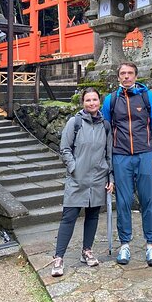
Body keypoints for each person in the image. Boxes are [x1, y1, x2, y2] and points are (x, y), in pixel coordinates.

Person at [102, 62, 152, 267]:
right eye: (123, 73)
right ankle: (125, 244)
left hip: (145, 154)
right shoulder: (110, 100)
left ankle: (151, 244)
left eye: (130, 73)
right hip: (121, 156)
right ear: (118, 77)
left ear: (136, 75)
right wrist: (106, 163)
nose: (126, 76)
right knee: (123, 201)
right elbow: (105, 130)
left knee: (148, 200)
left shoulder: (148, 97)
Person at [51, 87, 114, 277]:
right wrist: (73, 167)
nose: (92, 103)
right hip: (78, 178)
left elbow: (108, 154)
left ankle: (87, 250)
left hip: (98, 178)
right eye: (88, 100)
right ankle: (58, 257)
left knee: (93, 216)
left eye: (95, 100)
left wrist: (110, 177)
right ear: (83, 103)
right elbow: (64, 148)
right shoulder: (75, 122)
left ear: (99, 102)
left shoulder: (105, 125)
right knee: (69, 217)